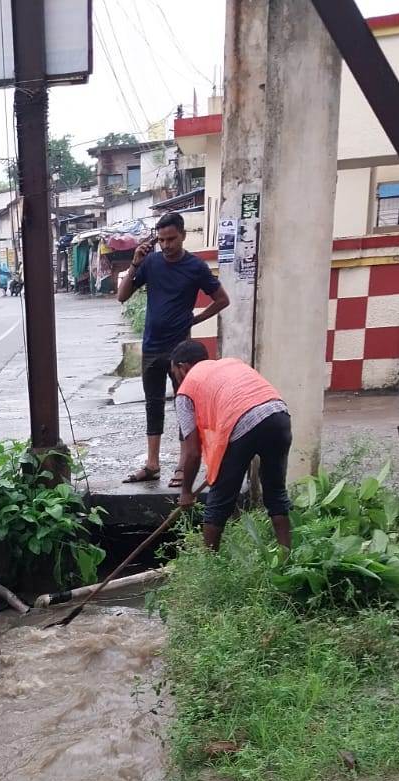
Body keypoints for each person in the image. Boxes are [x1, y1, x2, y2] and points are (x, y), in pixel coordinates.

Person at [117, 211, 230, 486]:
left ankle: (182, 466)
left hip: (179, 350)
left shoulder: (195, 267)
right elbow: (122, 296)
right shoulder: (151, 263)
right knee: (152, 405)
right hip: (151, 346)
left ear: (183, 236)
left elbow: (221, 299)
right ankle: (152, 464)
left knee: (184, 407)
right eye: (162, 240)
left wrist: (195, 319)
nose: (166, 245)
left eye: (171, 239)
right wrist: (134, 264)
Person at [170, 340, 292, 552]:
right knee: (276, 492)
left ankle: (208, 565)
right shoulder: (230, 364)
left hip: (242, 421)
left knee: (219, 501)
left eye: (175, 373)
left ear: (183, 367)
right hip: (278, 414)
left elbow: (192, 452)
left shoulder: (186, 390)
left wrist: (186, 491)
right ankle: (287, 557)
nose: (177, 380)